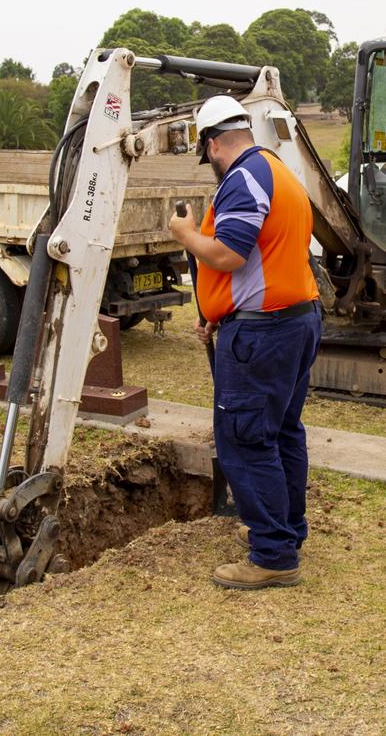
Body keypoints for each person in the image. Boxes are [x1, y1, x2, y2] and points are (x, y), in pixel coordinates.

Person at [169, 95, 322, 590]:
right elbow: (265, 259)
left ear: (213, 145)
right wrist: (217, 312)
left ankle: (274, 555)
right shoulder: (279, 172)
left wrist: (185, 233)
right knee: (280, 431)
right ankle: (285, 531)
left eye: (207, 153)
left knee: (244, 438)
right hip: (294, 320)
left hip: (264, 333)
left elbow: (229, 253)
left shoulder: (243, 178)